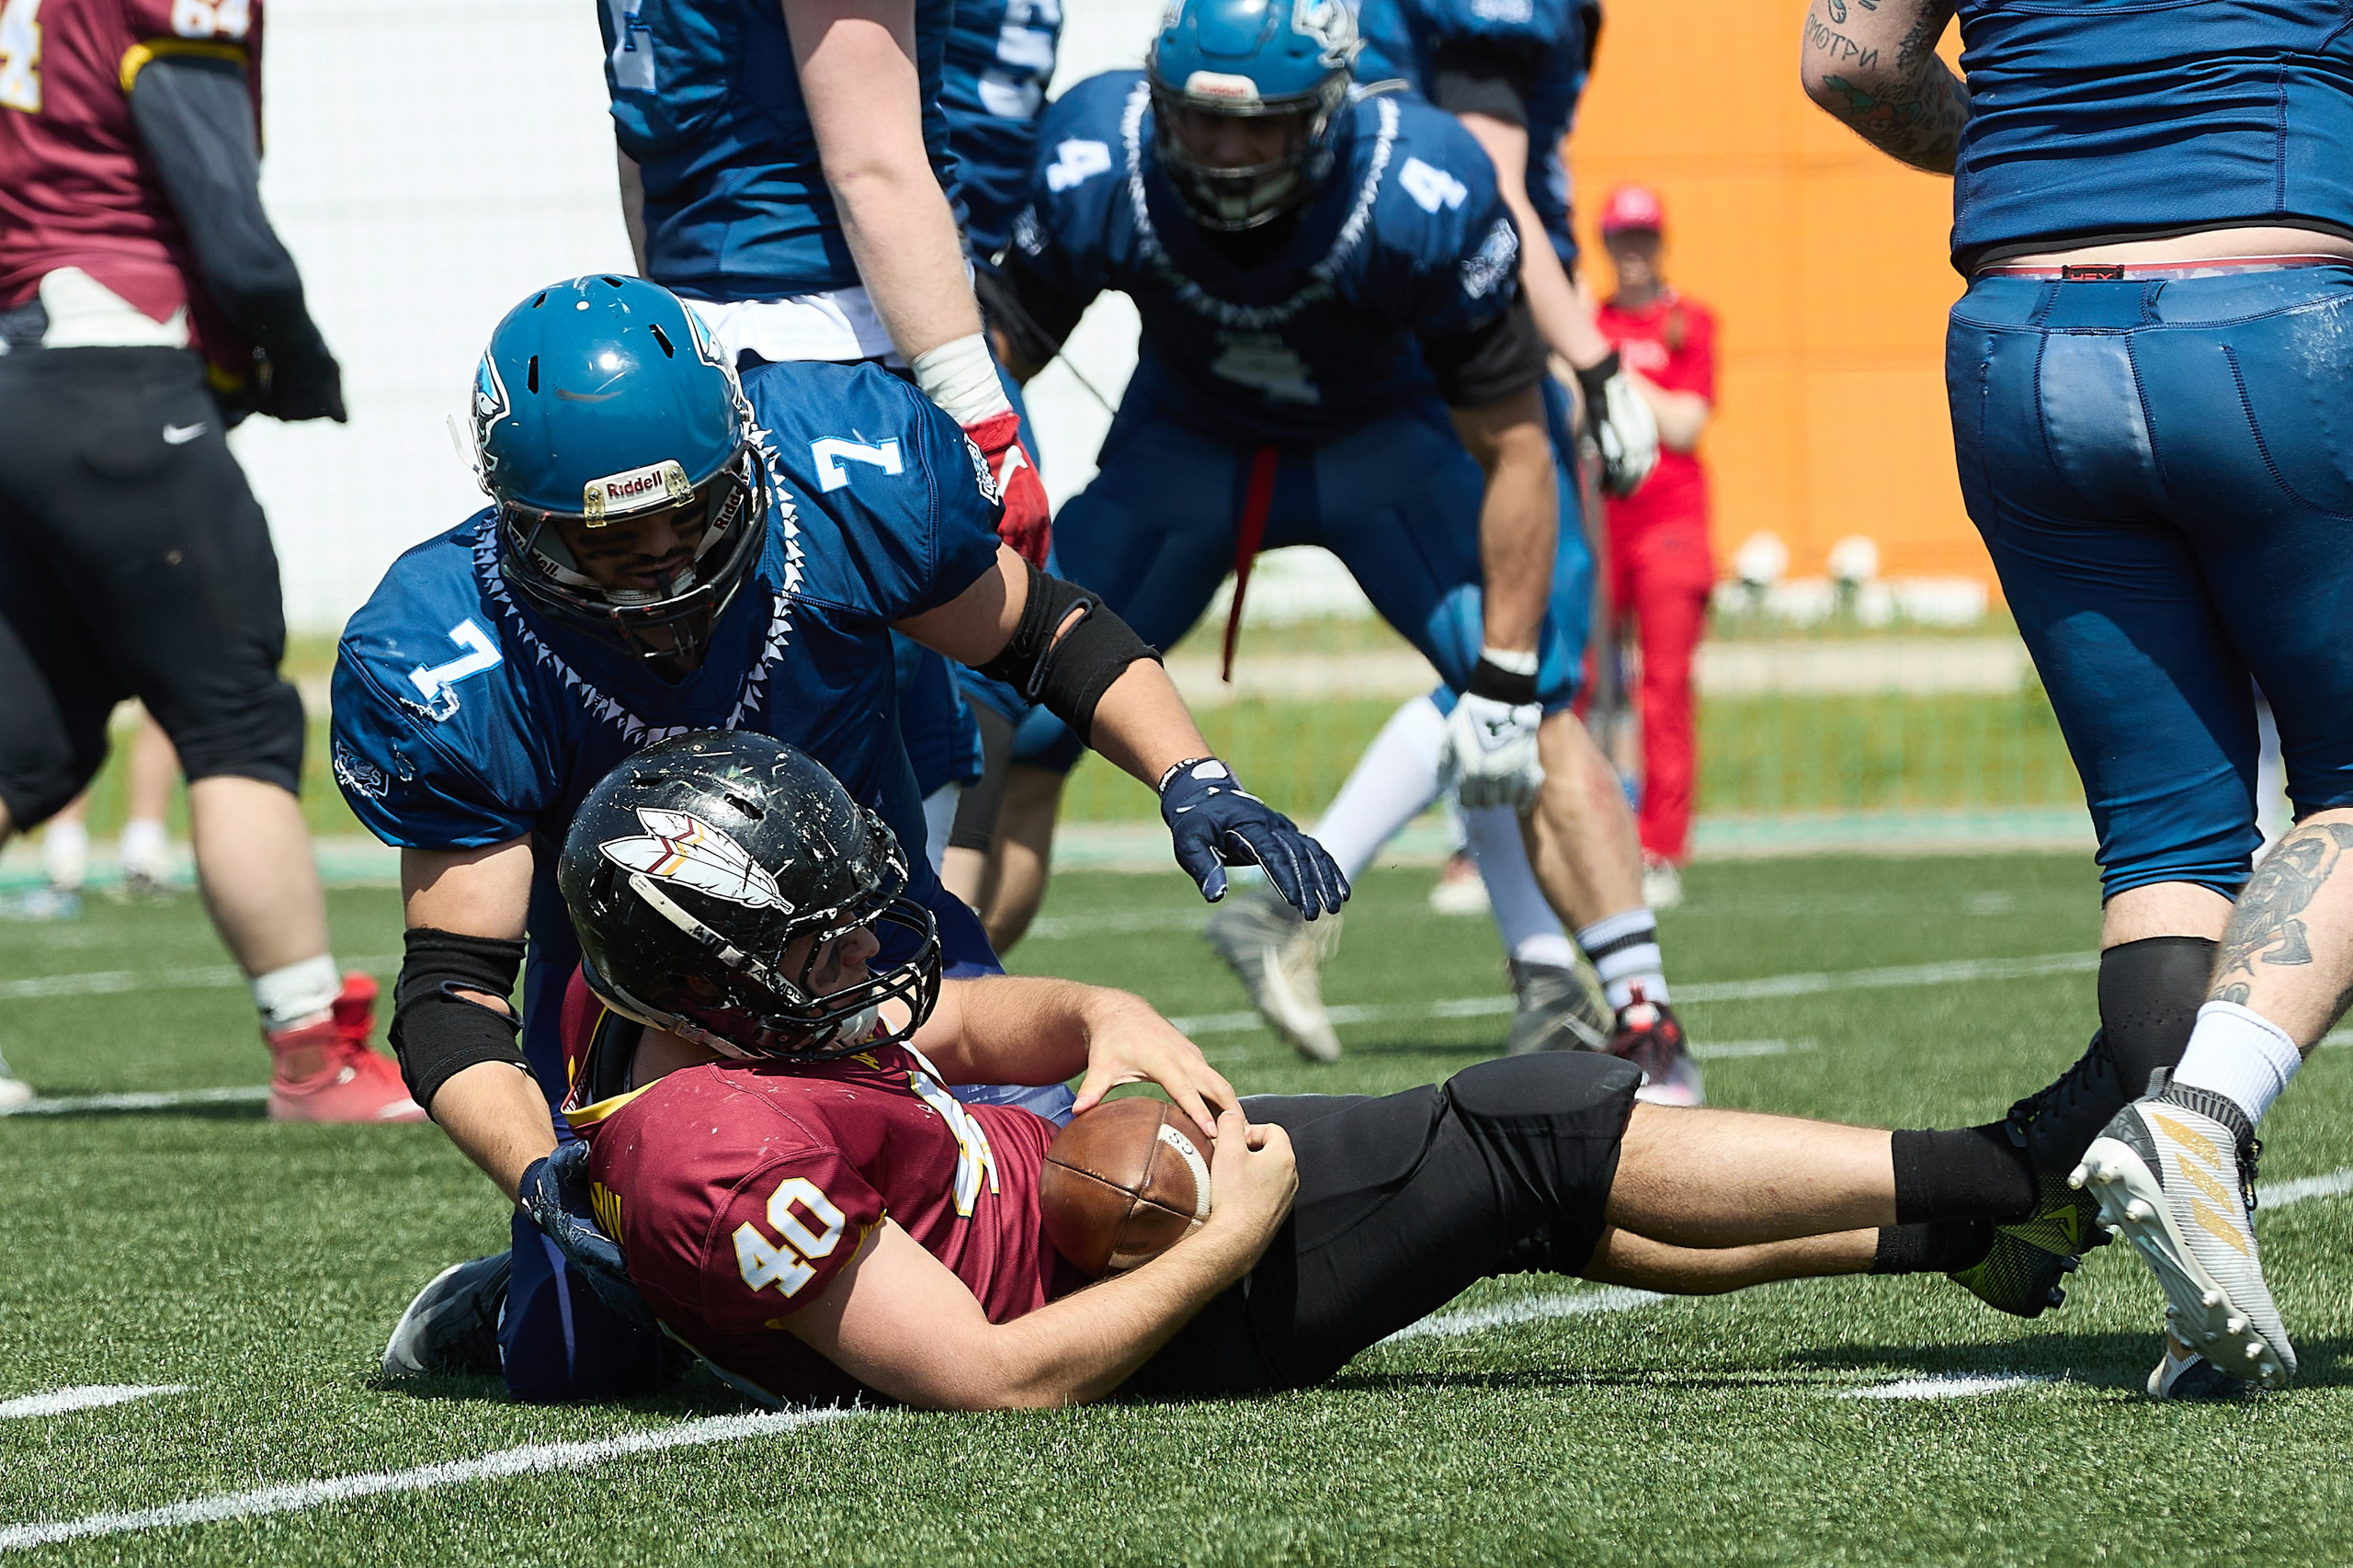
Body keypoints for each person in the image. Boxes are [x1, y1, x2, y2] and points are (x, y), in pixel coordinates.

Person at [343, 275, 1342, 1402]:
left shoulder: (838, 473)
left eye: (692, 514)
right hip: (643, 1018)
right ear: (522, 522)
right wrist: (547, 1175)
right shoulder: (448, 647)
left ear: (741, 456)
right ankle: (515, 1292)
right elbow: (456, 990)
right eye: (620, 544)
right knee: (588, 1361)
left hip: (874, 959)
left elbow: (1039, 632)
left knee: (1054, 1227)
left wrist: (1188, 772)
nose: (669, 565)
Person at [547, 731, 2111, 1410]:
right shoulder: (706, 1150)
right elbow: (987, 1382)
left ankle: (1964, 1235)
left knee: (1522, 1204)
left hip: (1101, 1189)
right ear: (701, 980)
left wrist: (1115, 1028)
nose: (860, 963)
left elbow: (985, 1020)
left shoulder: (690, 1027)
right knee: (1527, 1132)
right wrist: (1224, 1233)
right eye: (811, 943)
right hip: (1140, 1300)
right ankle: (2014, 1164)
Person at [976, 0, 1699, 1098]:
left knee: (1535, 704)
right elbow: (989, 366)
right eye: (1201, 123)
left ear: (1325, 109)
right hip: (1188, 448)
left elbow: (1512, 447)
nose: (1223, 154)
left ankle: (1644, 1017)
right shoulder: (1101, 150)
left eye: (1257, 127)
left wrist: (1501, 669)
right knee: (1013, 716)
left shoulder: (1416, 183)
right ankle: (931, 1012)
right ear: (1157, 97)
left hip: (1381, 449)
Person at [1802, 0, 2353, 1396]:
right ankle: (2202, 1114)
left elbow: (1849, 59)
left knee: (2168, 845)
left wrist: (2043, 141)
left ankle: (2196, 1288)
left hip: (2023, 338)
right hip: (2277, 312)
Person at [0, 0, 415, 1119]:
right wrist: (296, 357)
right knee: (235, 718)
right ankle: (311, 1058)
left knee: (25, 743)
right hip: (119, 373)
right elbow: (229, 226)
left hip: (22, 374)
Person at [1593, 183, 1717, 911]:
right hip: (1600, 525)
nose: (1631, 253)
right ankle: (1593, 832)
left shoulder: (1686, 322)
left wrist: (1610, 369)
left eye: (1642, 238)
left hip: (1670, 526)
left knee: (1662, 689)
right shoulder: (1590, 318)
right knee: (1577, 688)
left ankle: (1660, 846)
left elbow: (1685, 425)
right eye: (1620, 239)